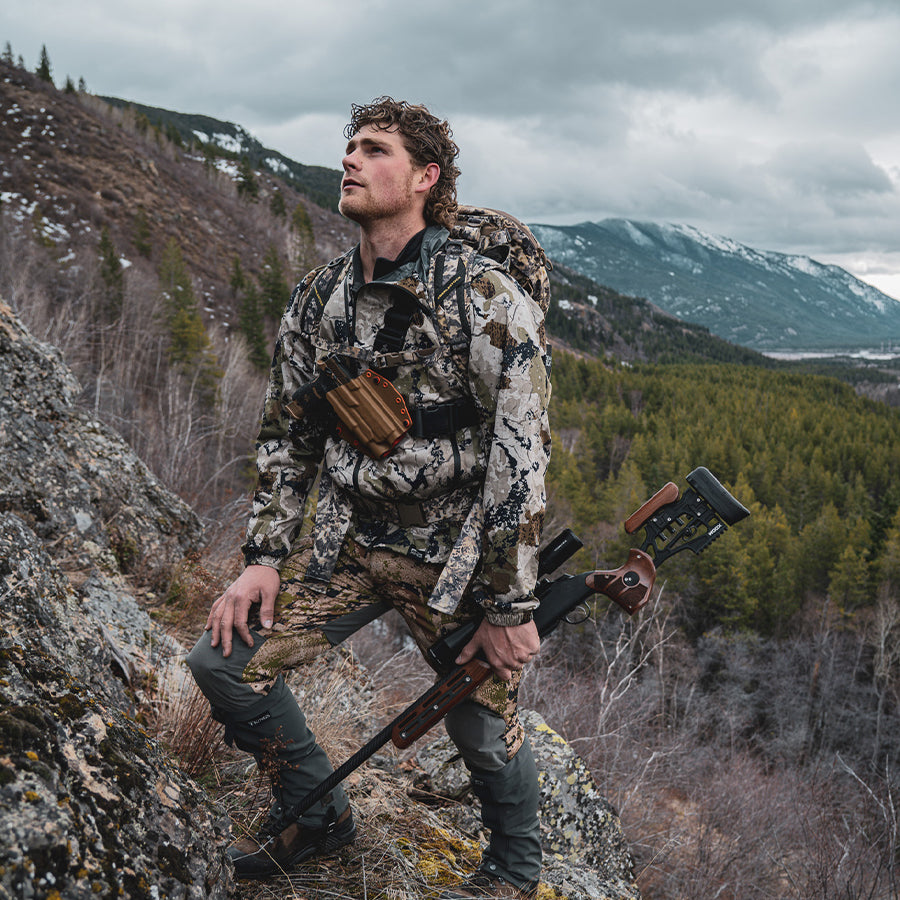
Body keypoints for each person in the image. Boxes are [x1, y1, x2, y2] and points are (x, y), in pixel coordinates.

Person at [187, 96, 551, 900]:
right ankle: (317, 817)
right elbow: (288, 436)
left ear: (426, 178)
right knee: (223, 661)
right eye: (350, 145)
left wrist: (510, 603)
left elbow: (520, 457)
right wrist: (263, 558)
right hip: (347, 544)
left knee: (480, 722)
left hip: (454, 560)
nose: (350, 158)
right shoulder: (319, 298)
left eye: (375, 148)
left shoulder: (483, 296)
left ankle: (513, 873)